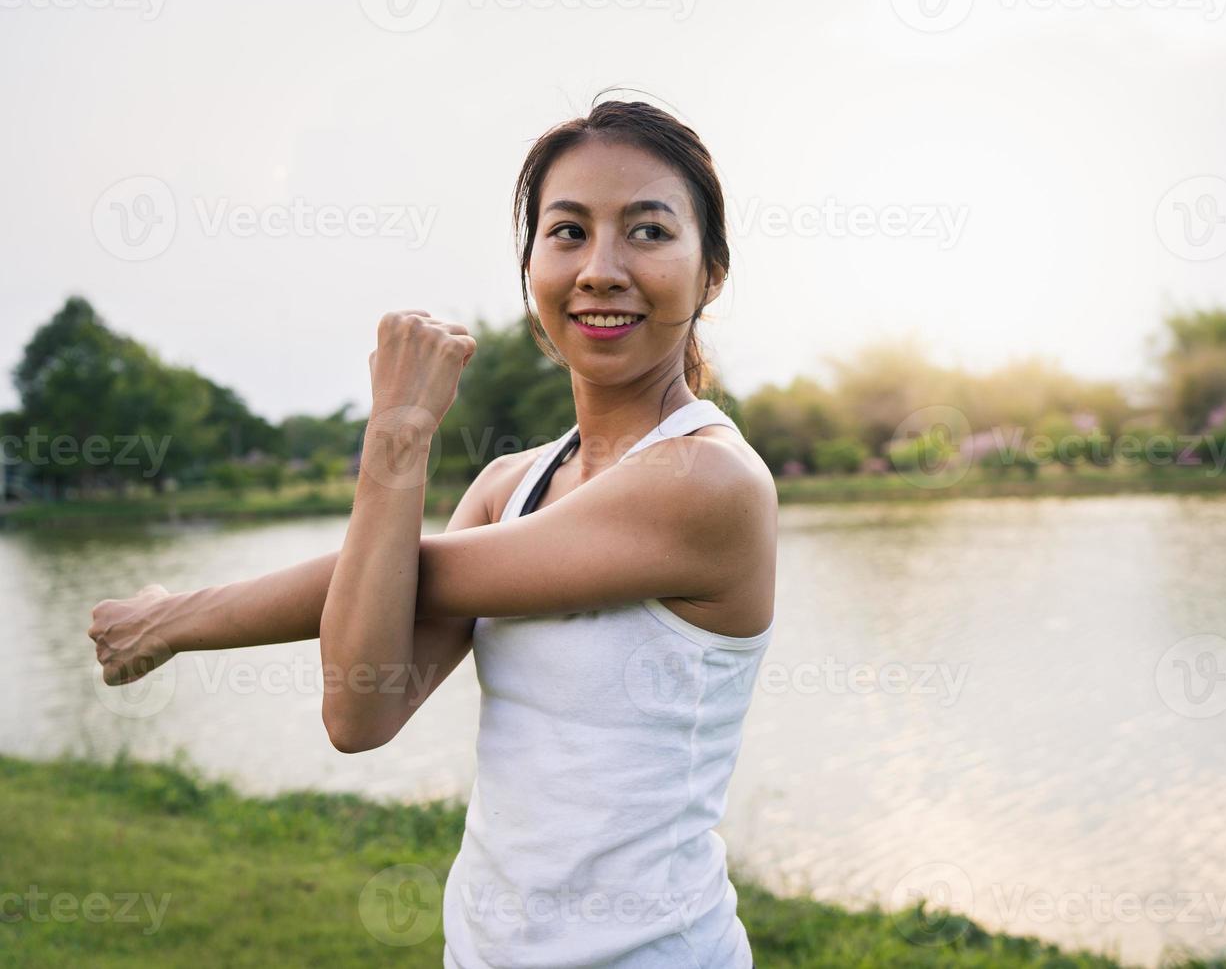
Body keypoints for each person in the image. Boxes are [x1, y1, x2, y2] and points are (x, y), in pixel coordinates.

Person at [87, 97, 778, 968]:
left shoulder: (708, 481)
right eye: (568, 232)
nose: (601, 269)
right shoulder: (506, 486)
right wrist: (397, 439)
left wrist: (176, 618)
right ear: (531, 265)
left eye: (646, 231)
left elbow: (408, 575)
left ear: (710, 271)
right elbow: (360, 708)